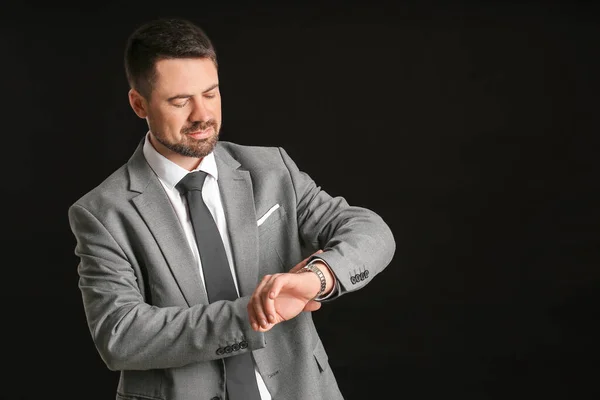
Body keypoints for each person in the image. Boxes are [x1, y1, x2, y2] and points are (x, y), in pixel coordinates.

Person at [68, 17, 395, 400]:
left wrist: (316, 279)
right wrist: (255, 314)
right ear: (139, 104)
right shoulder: (102, 212)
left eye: (211, 93)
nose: (202, 115)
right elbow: (121, 335)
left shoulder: (272, 169)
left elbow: (371, 232)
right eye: (180, 101)